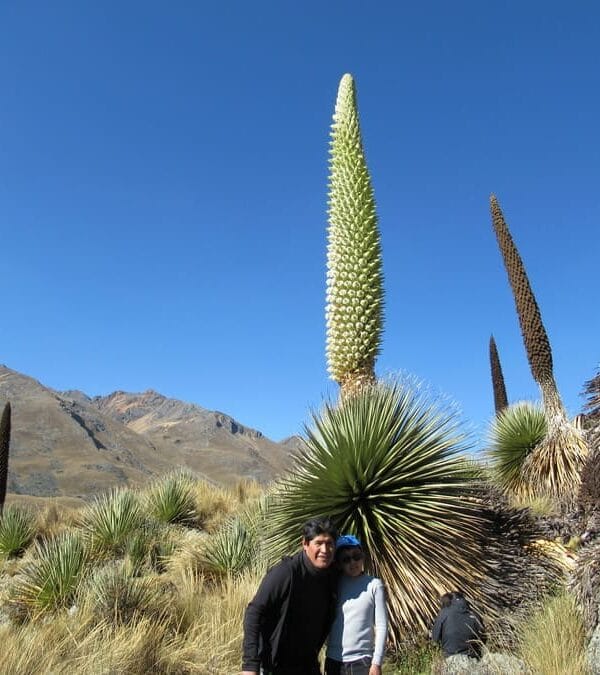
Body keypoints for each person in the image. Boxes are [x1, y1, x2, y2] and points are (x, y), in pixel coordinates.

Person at [241, 516, 339, 675]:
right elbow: (254, 612)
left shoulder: (331, 576)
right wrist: (250, 665)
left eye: (329, 544)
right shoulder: (286, 573)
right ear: (305, 544)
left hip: (308, 664)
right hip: (276, 665)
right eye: (318, 543)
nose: (325, 550)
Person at [325, 534, 388, 675]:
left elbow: (382, 625)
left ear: (363, 556)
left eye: (356, 556)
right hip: (335, 660)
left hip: (362, 661)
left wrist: (376, 662)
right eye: (346, 559)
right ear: (339, 563)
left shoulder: (374, 585)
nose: (353, 562)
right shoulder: (334, 585)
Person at [431, 591, 486, 659]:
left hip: (450, 657)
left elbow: (435, 638)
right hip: (472, 657)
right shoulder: (475, 615)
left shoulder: (444, 614)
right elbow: (483, 638)